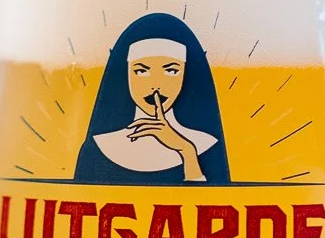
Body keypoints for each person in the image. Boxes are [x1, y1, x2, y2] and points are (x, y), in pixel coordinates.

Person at [73, 15, 229, 186]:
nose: (156, 85)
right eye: (141, 71)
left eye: (171, 71)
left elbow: (213, 201)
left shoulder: (207, 145)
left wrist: (187, 151)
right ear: (125, 74)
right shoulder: (97, 148)